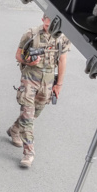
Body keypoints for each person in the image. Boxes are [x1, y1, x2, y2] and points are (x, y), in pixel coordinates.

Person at [7, 14, 70, 168]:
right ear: (43, 20)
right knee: (28, 115)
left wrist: (59, 84)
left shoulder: (62, 38)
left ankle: (14, 130)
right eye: (47, 25)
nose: (50, 28)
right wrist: (28, 60)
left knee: (35, 113)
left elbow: (62, 61)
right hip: (30, 78)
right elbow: (18, 55)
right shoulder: (31, 34)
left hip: (47, 81)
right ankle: (29, 153)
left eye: (53, 25)